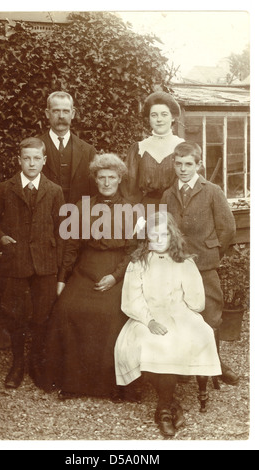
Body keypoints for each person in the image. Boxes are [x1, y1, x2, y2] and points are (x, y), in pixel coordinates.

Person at [114, 211, 221, 438]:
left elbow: (196, 303)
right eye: (154, 235)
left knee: (197, 332)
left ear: (172, 235)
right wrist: (150, 320)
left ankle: (166, 406)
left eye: (164, 234)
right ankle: (166, 408)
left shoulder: (184, 262)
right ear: (147, 238)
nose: (159, 239)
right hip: (146, 316)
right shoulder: (138, 263)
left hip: (178, 313)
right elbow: (132, 299)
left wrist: (181, 313)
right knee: (154, 341)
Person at [41, 153, 137, 400]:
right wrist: (62, 279)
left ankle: (110, 386)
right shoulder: (83, 206)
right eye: (101, 177)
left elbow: (133, 251)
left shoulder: (133, 208)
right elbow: (71, 245)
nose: (106, 183)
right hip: (86, 267)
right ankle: (72, 382)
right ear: (95, 179)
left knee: (110, 314)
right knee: (66, 309)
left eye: (111, 178)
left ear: (120, 179)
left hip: (118, 269)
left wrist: (115, 277)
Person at [0, 137, 65, 389]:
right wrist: (2, 238)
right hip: (16, 261)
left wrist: (60, 271)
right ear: (19, 160)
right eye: (26, 158)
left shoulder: (54, 190)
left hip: (45, 263)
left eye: (36, 158)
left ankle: (36, 362)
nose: (31, 163)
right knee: (16, 314)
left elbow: (62, 230)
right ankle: (17, 364)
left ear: (44, 161)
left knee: (41, 315)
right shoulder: (5, 189)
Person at [161, 141, 239, 386]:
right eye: (179, 164)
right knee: (180, 312)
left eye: (188, 164)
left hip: (205, 264)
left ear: (198, 165)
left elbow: (227, 229)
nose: (183, 169)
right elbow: (165, 227)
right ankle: (184, 365)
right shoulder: (168, 193)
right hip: (177, 263)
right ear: (173, 164)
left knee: (210, 315)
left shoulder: (212, 190)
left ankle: (215, 364)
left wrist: (211, 252)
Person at [120, 90, 185, 207]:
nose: (159, 119)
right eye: (154, 115)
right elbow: (129, 189)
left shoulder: (183, 146)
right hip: (146, 209)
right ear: (149, 119)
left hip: (177, 208)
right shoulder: (139, 148)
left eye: (164, 114)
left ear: (173, 118)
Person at [39, 91, 97, 203]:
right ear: (47, 113)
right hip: (44, 217)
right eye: (56, 111)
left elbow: (94, 194)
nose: (61, 116)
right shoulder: (34, 149)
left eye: (66, 111)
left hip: (77, 216)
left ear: (73, 113)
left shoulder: (88, 151)